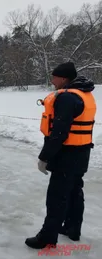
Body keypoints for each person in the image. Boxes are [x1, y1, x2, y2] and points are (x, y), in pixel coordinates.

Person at [25, 62, 97, 249]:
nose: (52, 80)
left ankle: (47, 237)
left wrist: (44, 157)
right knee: (74, 191)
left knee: (57, 197)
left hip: (67, 154)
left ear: (64, 78)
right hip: (82, 153)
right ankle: (72, 229)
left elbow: (59, 132)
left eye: (54, 77)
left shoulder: (67, 98)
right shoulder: (85, 94)